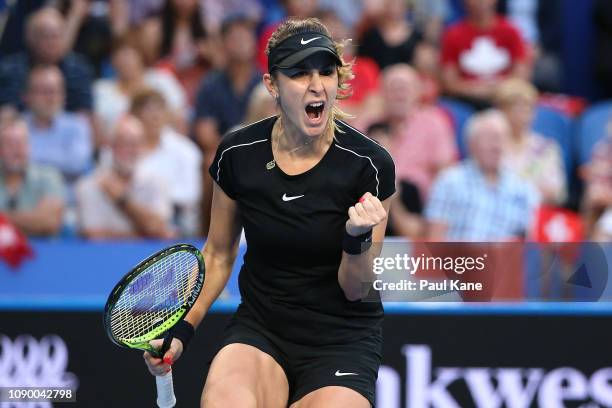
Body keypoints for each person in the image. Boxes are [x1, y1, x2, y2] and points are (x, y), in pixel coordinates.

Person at [143, 17, 395, 408]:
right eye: (298, 73)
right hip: (263, 328)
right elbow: (219, 253)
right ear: (271, 85)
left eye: (326, 71)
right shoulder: (237, 154)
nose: (316, 85)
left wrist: (356, 238)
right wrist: (183, 328)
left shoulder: (369, 164)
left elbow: (355, 288)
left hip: (340, 339)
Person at [426, 110, 540, 241]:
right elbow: (434, 241)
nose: (497, 146)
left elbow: (532, 245)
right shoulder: (450, 181)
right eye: (490, 139)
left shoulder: (524, 189)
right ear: (471, 144)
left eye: (502, 139)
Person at [75, 115, 174, 240]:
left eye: (135, 144)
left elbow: (160, 230)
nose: (130, 150)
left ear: (143, 146)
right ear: (110, 146)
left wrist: (122, 200)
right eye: (123, 144)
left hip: (149, 257)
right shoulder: (89, 185)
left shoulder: (156, 182)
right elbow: (93, 237)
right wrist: (145, 234)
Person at [129, 88, 202, 237]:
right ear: (135, 116)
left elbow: (191, 194)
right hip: (129, 219)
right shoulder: (123, 147)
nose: (154, 116)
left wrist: (152, 205)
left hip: (174, 222)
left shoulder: (186, 150)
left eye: (159, 110)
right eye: (147, 110)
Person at [0, 7, 93, 112]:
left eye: (55, 36)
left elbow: (85, 115)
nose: (51, 42)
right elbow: (6, 113)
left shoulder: (77, 69)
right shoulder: (10, 70)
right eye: (45, 35)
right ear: (29, 37)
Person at [440, 0, 529, 108]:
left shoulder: (511, 31)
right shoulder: (453, 34)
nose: (480, 3)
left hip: (505, 102)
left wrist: (497, 89)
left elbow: (521, 76)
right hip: (466, 103)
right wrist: (477, 90)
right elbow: (449, 83)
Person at [494, 78, 566, 205]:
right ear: (501, 111)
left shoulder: (546, 147)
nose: (522, 113)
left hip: (538, 211)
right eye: (514, 107)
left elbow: (557, 192)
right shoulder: (490, 146)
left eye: (528, 107)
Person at [23, 65, 93, 185]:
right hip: (23, 200)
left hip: (68, 201)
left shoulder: (77, 126)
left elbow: (77, 164)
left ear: (64, 96)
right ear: (27, 96)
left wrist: (26, 161)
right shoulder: (15, 126)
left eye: (55, 91)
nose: (50, 98)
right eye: (44, 92)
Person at [0, 118, 65, 237]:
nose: (17, 150)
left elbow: (49, 223)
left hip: (44, 252)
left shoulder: (49, 176)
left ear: (29, 146)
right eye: (10, 144)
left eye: (22, 143)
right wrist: (31, 221)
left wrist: (2, 218)